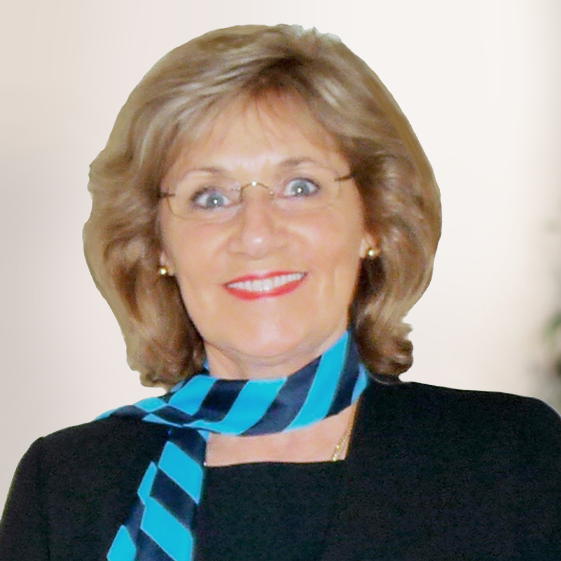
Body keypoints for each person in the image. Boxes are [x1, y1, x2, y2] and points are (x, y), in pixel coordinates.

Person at [1, 24, 560, 561]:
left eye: (300, 186)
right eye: (210, 197)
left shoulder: (511, 457)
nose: (257, 234)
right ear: (158, 245)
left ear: (372, 221)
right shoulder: (65, 487)